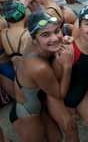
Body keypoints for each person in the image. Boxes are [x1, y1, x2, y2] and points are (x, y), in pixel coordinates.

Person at [47, 6, 88, 142]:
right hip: (57, 97)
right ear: (79, 26)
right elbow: (53, 86)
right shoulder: (66, 50)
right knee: (70, 132)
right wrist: (65, 109)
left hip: (80, 94)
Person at [9, 11, 68, 142]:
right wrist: (67, 66)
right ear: (34, 39)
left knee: (56, 138)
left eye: (57, 31)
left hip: (39, 104)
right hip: (27, 112)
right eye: (45, 35)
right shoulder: (39, 67)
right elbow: (59, 94)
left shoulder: (36, 45)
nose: (54, 38)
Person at [0, 0, 31, 98]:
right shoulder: (27, 35)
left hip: (12, 73)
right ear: (24, 14)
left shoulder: (3, 33)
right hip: (29, 76)